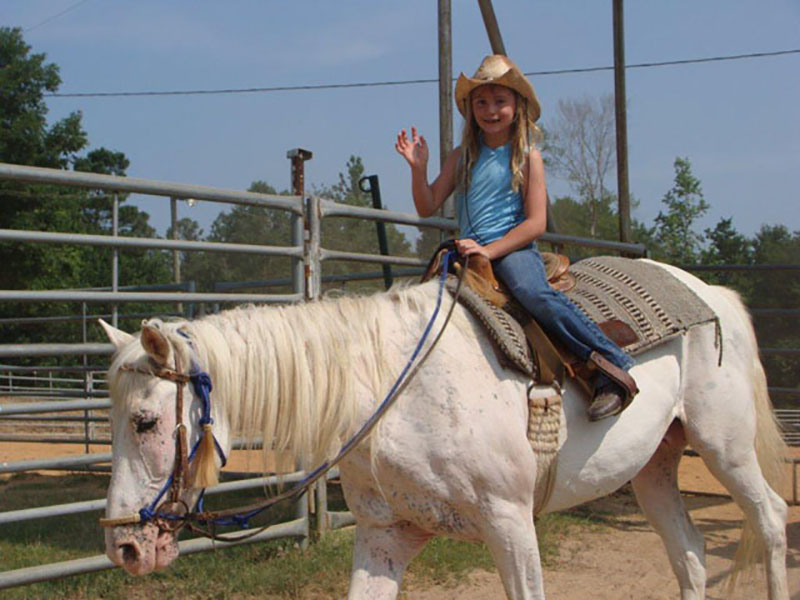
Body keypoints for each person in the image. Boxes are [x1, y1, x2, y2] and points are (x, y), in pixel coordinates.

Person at [395, 54, 636, 421]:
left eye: (499, 101)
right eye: (481, 102)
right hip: (468, 250)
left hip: (511, 248)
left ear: (517, 105)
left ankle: (609, 363)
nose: (490, 110)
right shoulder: (461, 157)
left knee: (532, 293)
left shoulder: (527, 156)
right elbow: (427, 206)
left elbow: (536, 223)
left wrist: (490, 251)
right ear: (471, 108)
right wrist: (418, 168)